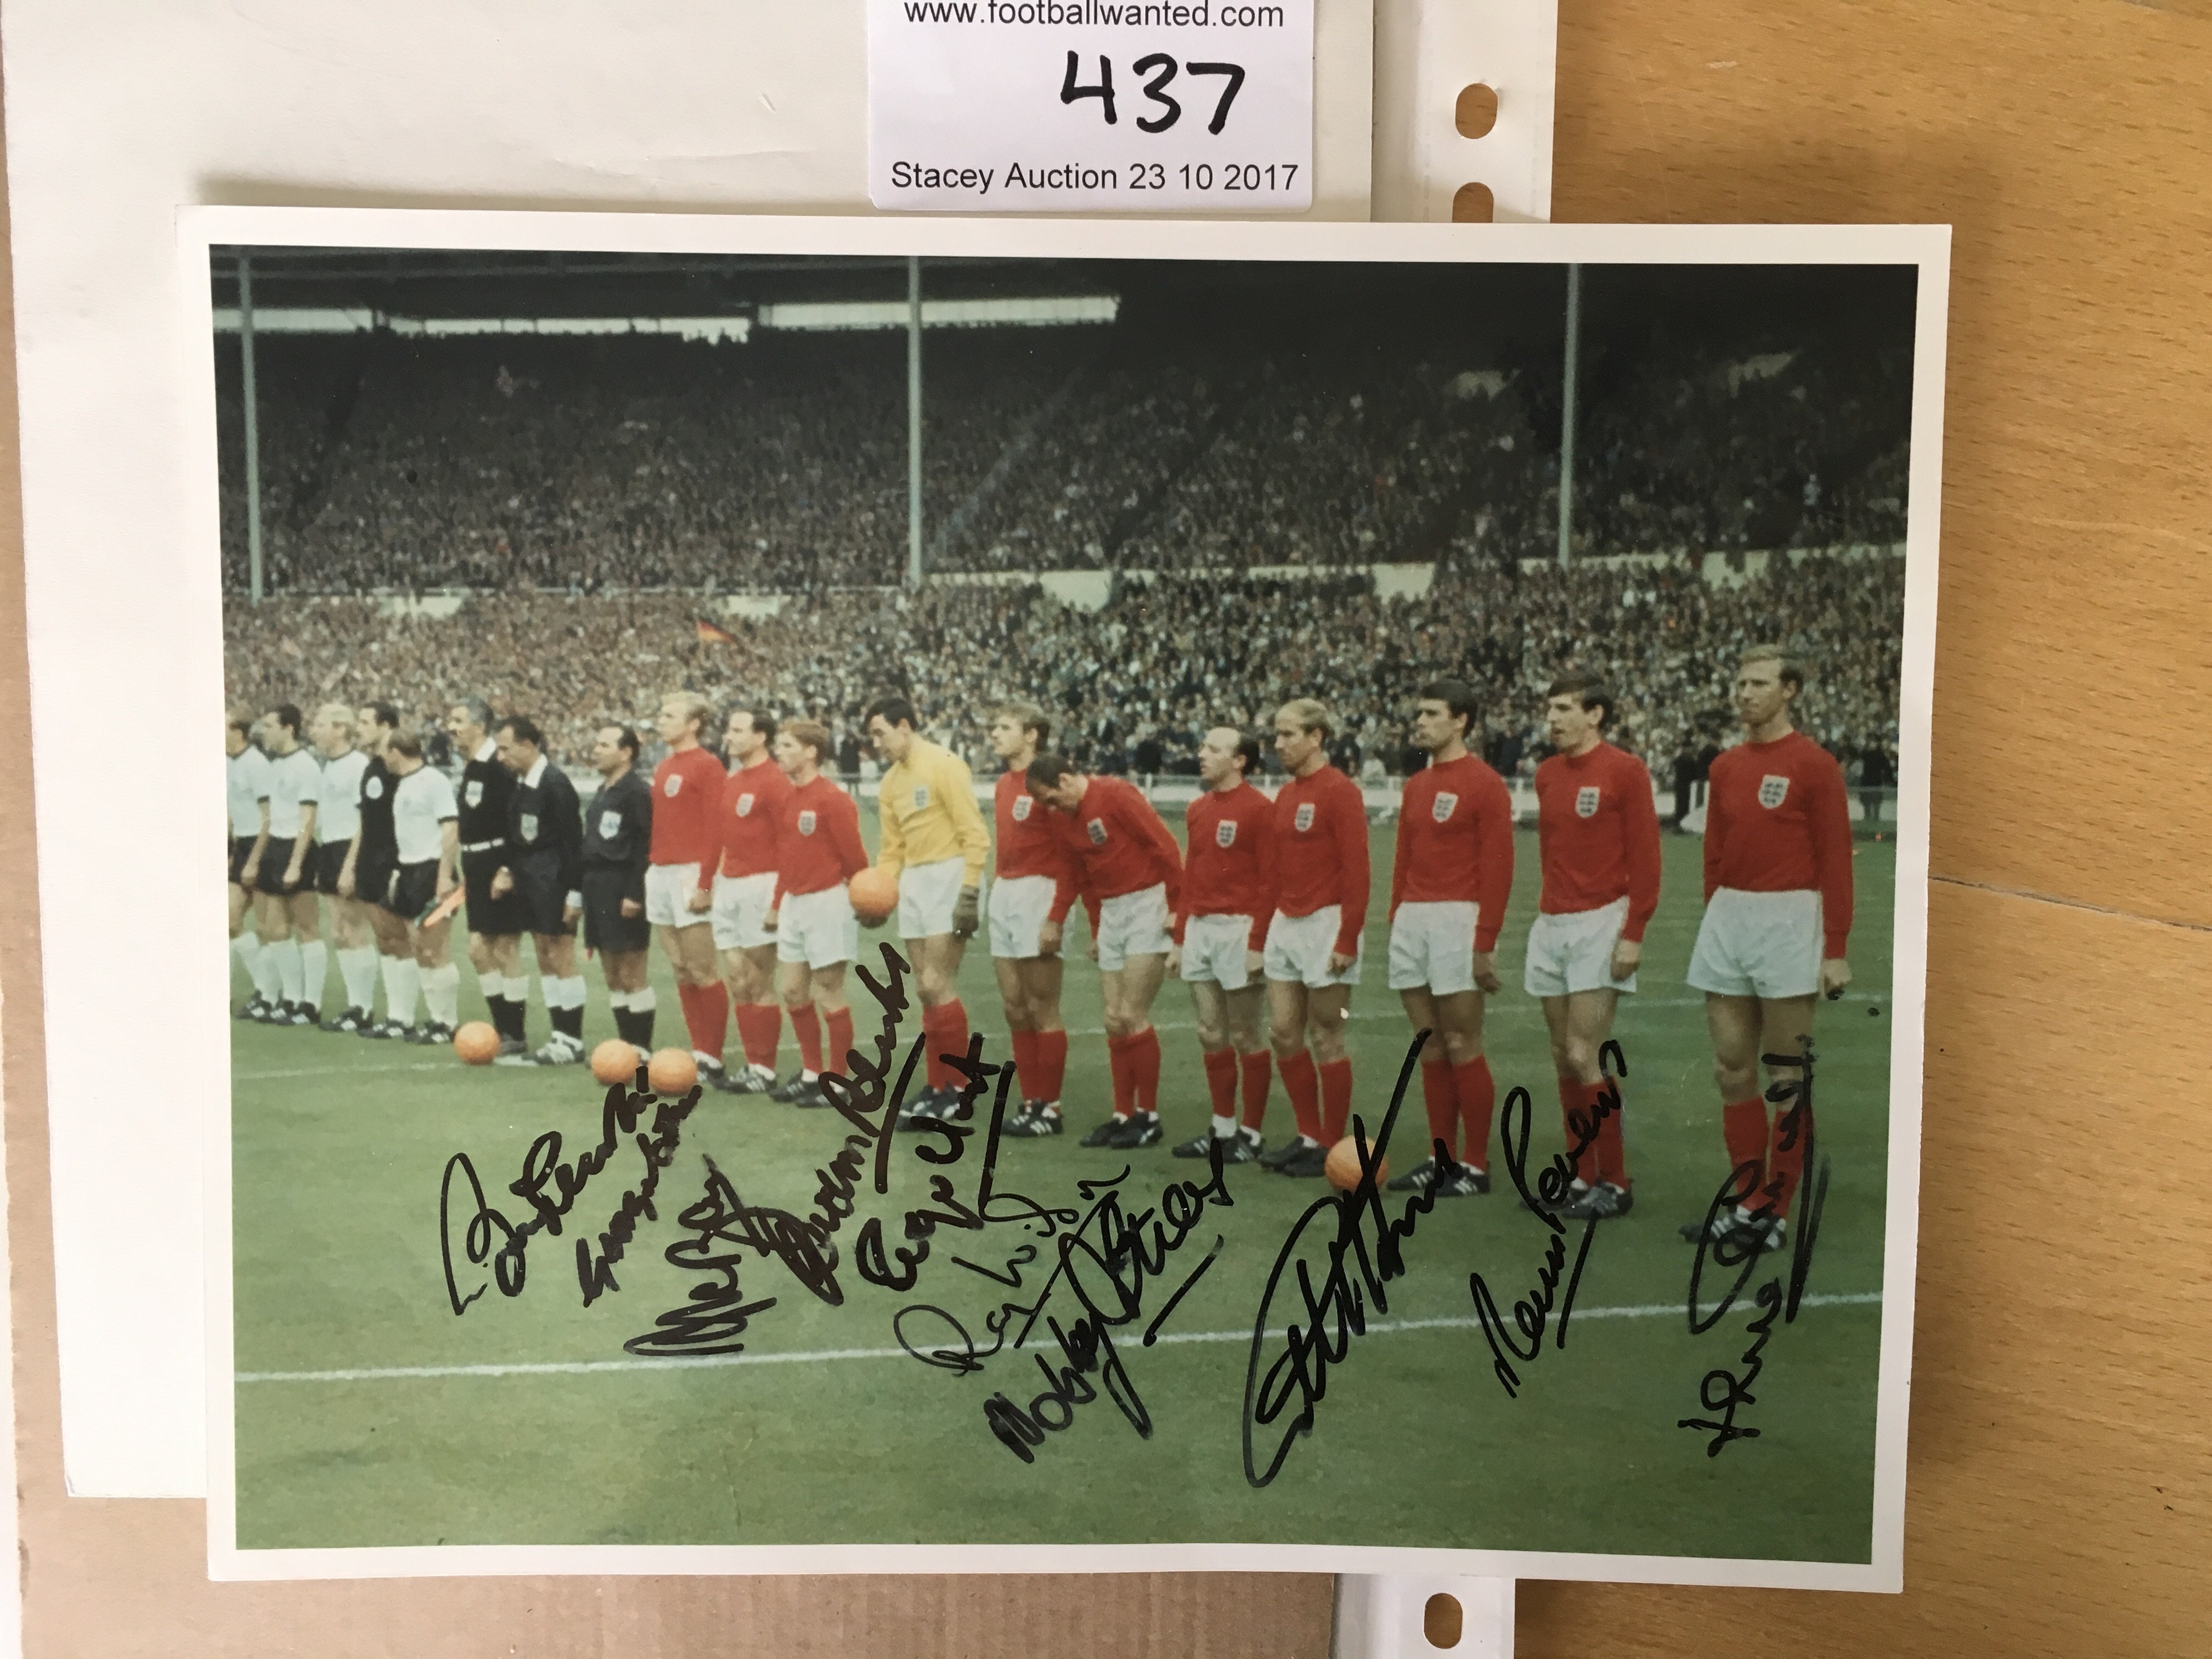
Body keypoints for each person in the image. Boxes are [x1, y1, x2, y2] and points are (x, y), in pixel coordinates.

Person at [1681, 646, 1854, 1255]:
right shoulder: (1726, 766)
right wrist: (1715, 913)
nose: (1745, 692)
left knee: (1786, 1075)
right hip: (1731, 915)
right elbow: (1715, 851)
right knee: (1731, 1067)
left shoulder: (1814, 765)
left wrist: (1835, 948)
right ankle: (1746, 1199)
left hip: (1789, 918)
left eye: (1759, 683)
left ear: (1790, 691)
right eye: (1740, 682)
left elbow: (1836, 858)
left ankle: (1774, 1212)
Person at [1523, 673, 1661, 1220]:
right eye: (1550, 708)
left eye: (1564, 708)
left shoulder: (1625, 771)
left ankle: (1617, 1182)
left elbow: (1647, 859)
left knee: (1586, 1054)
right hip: (1551, 923)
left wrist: (1634, 933)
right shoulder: (1547, 774)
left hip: (1602, 922)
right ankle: (1582, 1177)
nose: (1552, 718)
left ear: (1596, 715)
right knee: (1563, 1055)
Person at [1382, 682, 1514, 1199]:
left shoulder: (1485, 783)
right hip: (1413, 918)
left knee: (1462, 1041)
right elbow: (1403, 860)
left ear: (1460, 721)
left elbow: (1498, 868)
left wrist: (1485, 941)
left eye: (1432, 713)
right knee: (1430, 1045)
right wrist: (1397, 917)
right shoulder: (1416, 785)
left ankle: (1475, 1167)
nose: (1421, 722)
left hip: (1458, 919)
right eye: (1419, 713)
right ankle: (1441, 1159)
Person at [1028, 752, 1183, 1149]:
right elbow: (1078, 875)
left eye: (1050, 798)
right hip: (1113, 913)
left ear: (1066, 780)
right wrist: (1093, 928)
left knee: (1133, 1014)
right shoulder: (1063, 820)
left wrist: (1180, 911)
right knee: (1113, 1019)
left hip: (1148, 903)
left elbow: (1165, 848)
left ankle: (1148, 1117)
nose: (1050, 808)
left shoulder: (1117, 795)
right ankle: (1122, 1114)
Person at [866, 696, 991, 1127]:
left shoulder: (944, 763)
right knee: (924, 988)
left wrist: (970, 889)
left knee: (939, 982)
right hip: (916, 882)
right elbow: (891, 849)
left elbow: (975, 833)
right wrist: (879, 892)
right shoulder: (890, 784)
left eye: (881, 733)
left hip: (950, 875)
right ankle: (938, 1087)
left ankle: (958, 1088)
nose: (877, 743)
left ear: (905, 726)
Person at [1259, 698, 1370, 1178]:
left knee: (1327, 1034)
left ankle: (1330, 1142)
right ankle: (1307, 1136)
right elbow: (1274, 871)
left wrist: (1347, 937)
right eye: (1277, 736)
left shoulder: (1340, 791)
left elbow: (1358, 871)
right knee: (1284, 1032)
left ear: (1316, 737)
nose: (1278, 745)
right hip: (1287, 923)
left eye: (1288, 735)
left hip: (1327, 924)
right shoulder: (1284, 796)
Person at [1170, 727, 1275, 1164]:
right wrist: (1179, 937)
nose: (1203, 755)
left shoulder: (1259, 810)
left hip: (1240, 927)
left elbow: (1271, 880)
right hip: (1201, 927)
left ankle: (1251, 1133)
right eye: (1203, 747)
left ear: (1240, 761)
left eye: (1214, 749)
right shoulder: (1198, 808)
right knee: (1210, 1032)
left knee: (1245, 1033)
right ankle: (1222, 1127)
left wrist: (1257, 942)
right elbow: (1191, 874)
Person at [764, 719, 870, 1108]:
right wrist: (777, 903)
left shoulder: (833, 799)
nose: (780, 752)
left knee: (828, 990)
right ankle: (812, 1074)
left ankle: (839, 1081)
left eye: (788, 745)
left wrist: (861, 899)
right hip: (794, 902)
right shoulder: (789, 798)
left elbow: (856, 859)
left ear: (811, 751)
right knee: (792, 990)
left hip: (827, 901)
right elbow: (786, 857)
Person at [984, 703, 1073, 1138]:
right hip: (1005, 891)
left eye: (1004, 726)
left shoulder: (1049, 783)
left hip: (1040, 891)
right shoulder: (1003, 784)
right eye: (994, 727)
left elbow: (1069, 856)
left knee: (1042, 1007)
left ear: (1033, 735)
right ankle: (1031, 1101)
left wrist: (1056, 916)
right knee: (1014, 1007)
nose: (994, 734)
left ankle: (1050, 1109)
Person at [488, 715, 588, 1064]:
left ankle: (572, 1040)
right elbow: (519, 837)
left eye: (505, 748)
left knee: (561, 956)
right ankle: (559, 1036)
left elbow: (574, 844)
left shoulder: (556, 784)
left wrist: (575, 894)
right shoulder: (520, 784)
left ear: (528, 745)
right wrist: (508, 870)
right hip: (531, 882)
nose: (500, 757)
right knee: (545, 956)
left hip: (555, 881)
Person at [647, 692, 735, 1081]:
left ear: (694, 723)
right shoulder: (665, 765)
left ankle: (712, 1057)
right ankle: (698, 1049)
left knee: (701, 967)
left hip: (690, 872)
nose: (660, 721)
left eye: (669, 715)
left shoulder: (708, 765)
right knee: (680, 968)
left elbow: (718, 826)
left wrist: (705, 881)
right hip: (661, 872)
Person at [709, 706, 792, 1094]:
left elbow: (789, 843)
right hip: (730, 885)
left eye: (739, 730)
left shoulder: (775, 781)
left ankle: (764, 1069)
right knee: (738, 978)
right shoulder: (732, 779)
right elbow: (719, 837)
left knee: (759, 979)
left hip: (763, 883)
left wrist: (777, 901)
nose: (730, 736)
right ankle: (751, 1063)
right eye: (729, 729)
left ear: (762, 737)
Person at [448, 698, 531, 1059]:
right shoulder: (472, 768)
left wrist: (508, 868)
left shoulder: (499, 767)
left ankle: (514, 1031)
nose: (451, 727)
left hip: (499, 863)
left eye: (458, 720)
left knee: (503, 948)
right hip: (477, 864)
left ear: (480, 727)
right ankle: (504, 1028)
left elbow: (516, 821)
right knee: (480, 951)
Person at [577, 725, 656, 1052]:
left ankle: (641, 1048)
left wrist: (636, 893)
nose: (596, 750)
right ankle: (626, 1046)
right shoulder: (604, 789)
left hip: (623, 884)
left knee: (631, 970)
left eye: (604, 744)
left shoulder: (636, 791)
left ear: (626, 752)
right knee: (612, 972)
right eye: (597, 743)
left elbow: (645, 845)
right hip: (597, 886)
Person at [337, 702, 414, 1039]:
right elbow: (366, 823)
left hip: (393, 862)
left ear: (386, 727)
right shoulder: (371, 768)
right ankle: (394, 1016)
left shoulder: (397, 770)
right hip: (370, 861)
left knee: (398, 939)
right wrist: (351, 864)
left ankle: (403, 1018)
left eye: (366, 722)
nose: (359, 728)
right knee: (385, 939)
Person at [383, 729, 464, 1045]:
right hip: (409, 870)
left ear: (395, 751)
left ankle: (447, 1022)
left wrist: (444, 876)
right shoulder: (404, 784)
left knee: (435, 947)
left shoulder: (434, 781)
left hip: (433, 870)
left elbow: (450, 827)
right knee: (419, 947)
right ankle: (436, 1019)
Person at [252, 704, 324, 1025]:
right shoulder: (273, 765)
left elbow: (307, 820)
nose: (264, 731)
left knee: (307, 927)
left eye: (270, 725)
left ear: (289, 729)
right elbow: (270, 817)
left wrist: (296, 863)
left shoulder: (305, 766)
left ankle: (312, 1004)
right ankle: (292, 998)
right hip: (274, 846)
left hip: (297, 848)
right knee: (275, 930)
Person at [307, 704, 376, 1032]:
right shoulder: (327, 766)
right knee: (339, 932)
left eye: (321, 724)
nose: (314, 730)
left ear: (340, 729)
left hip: (350, 847)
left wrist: (350, 865)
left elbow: (364, 820)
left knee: (355, 929)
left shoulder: (357, 765)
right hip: (331, 847)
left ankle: (363, 1007)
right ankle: (354, 1004)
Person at [225, 711, 276, 1020]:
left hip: (260, 844)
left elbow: (268, 815)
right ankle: (261, 988)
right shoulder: (228, 762)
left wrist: (255, 858)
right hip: (240, 845)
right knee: (229, 922)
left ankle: (269, 992)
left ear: (238, 732)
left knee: (266, 925)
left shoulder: (256, 764)